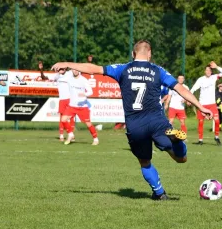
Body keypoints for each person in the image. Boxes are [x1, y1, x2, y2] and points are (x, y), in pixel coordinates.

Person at [51, 40, 212, 200]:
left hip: (135, 125)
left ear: (133, 54)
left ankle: (159, 193)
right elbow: (180, 88)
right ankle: (176, 142)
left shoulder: (123, 69)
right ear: (149, 54)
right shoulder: (158, 70)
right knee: (181, 158)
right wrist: (200, 106)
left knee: (144, 161)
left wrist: (67, 64)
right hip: (157, 121)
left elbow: (94, 69)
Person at [190, 61, 222, 145]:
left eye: (209, 70)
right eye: (206, 70)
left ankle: (216, 137)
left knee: (217, 121)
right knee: (201, 122)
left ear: (211, 71)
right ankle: (200, 140)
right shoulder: (200, 79)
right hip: (202, 104)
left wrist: (216, 66)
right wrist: (188, 99)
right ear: (204, 71)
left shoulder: (214, 77)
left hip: (212, 104)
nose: (208, 72)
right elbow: (193, 89)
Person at [62, 70, 99, 145]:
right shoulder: (69, 78)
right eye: (73, 69)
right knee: (63, 119)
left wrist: (84, 94)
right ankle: (70, 134)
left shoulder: (83, 80)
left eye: (76, 70)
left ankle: (95, 139)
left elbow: (90, 92)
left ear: (79, 71)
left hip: (82, 107)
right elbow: (62, 74)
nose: (75, 71)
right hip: (72, 106)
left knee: (88, 124)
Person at [47, 67, 75, 142]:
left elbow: (76, 68)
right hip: (62, 99)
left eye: (62, 69)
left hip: (70, 98)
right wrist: (41, 69)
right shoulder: (57, 76)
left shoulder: (69, 74)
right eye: (59, 69)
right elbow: (44, 77)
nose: (61, 70)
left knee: (71, 117)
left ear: (65, 69)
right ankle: (61, 135)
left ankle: (71, 134)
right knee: (62, 118)